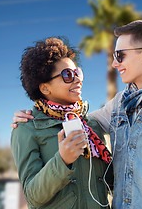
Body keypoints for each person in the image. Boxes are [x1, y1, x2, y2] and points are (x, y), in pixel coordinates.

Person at [12, 20, 142, 208]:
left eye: (120, 55)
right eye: (68, 74)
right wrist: (32, 119)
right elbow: (81, 122)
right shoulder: (119, 104)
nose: (114, 63)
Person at [10, 37, 112, 209]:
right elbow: (32, 196)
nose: (77, 80)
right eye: (67, 75)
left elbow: (111, 181)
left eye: (77, 72)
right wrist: (63, 160)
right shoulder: (26, 128)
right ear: (45, 88)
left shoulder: (91, 124)